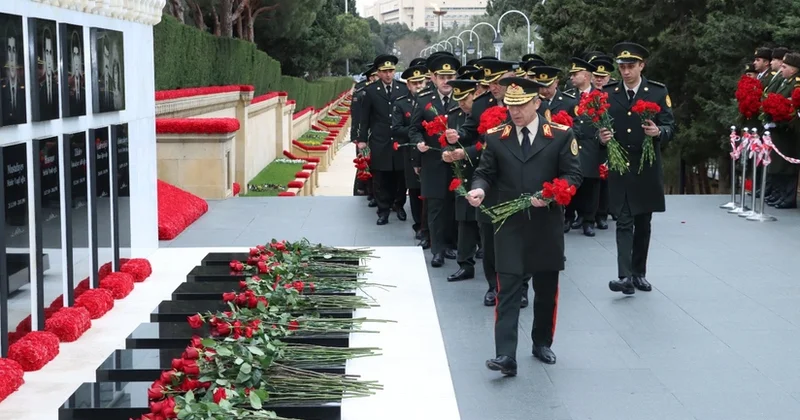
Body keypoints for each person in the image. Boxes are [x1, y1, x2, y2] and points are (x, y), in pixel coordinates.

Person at [467, 77, 582, 375]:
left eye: (520, 106)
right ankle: (505, 355)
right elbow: (484, 172)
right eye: (509, 105)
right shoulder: (497, 137)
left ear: (537, 103)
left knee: (546, 288)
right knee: (507, 290)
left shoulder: (560, 135)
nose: (514, 112)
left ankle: (542, 342)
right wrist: (479, 189)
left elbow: (573, 175)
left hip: (545, 222)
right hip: (509, 223)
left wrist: (553, 193)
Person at [446, 59, 529, 307]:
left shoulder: (528, 102)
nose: (493, 87)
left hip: (520, 178)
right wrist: (457, 137)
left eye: (497, 82)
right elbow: (471, 132)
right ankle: (494, 286)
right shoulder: (482, 104)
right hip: (489, 177)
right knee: (490, 236)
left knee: (519, 236)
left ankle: (521, 286)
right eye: (490, 83)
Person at [599, 42, 675, 295]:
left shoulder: (656, 92)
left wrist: (658, 132)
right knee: (623, 219)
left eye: (631, 66)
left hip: (646, 167)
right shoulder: (609, 93)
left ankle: (639, 273)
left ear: (642, 66)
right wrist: (602, 137)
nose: (626, 71)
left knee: (643, 221)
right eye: (622, 66)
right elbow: (598, 125)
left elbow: (670, 126)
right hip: (620, 166)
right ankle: (624, 276)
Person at [409, 54, 461, 267]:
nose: (446, 81)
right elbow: (414, 129)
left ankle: (450, 244)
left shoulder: (462, 98)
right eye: (442, 76)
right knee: (436, 207)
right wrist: (419, 141)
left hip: (458, 163)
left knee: (453, 206)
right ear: (433, 77)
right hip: (433, 161)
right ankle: (437, 250)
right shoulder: (424, 100)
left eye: (450, 76)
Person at [359, 54, 409, 225]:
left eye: (391, 71)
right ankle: (383, 210)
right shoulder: (370, 91)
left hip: (399, 139)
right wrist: (362, 139)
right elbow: (364, 118)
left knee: (400, 176)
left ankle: (399, 205)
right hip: (380, 140)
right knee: (380, 177)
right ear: (378, 72)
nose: (388, 75)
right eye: (384, 71)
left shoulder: (403, 89)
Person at [442, 78, 481, 282]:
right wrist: (446, 153)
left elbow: (487, 144)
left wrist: (466, 153)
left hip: (483, 171)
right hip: (462, 172)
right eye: (458, 100)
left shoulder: (485, 113)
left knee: (483, 221)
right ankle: (465, 264)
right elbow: (447, 140)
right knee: (464, 220)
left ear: (475, 95)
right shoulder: (456, 115)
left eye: (465, 99)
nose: (462, 104)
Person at [391, 64, 429, 246]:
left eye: (421, 82)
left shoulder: (432, 100)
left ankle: (430, 227)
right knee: (414, 191)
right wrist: (417, 131)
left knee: (431, 192)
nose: (418, 86)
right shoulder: (401, 103)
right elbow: (397, 129)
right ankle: (419, 226)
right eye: (414, 83)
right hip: (411, 152)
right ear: (408, 85)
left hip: (430, 152)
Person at [566, 56, 602, 237]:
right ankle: (570, 216)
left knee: (591, 184)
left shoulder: (600, 95)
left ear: (586, 75)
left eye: (575, 73)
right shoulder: (569, 96)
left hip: (592, 145)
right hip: (572, 145)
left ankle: (589, 220)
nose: (572, 77)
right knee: (573, 181)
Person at [763, 52, 800, 209]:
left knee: (787, 166)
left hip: (789, 131)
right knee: (778, 164)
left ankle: (788, 197)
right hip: (779, 129)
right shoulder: (786, 82)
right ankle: (780, 194)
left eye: (785, 67)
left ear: (793, 70)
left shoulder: (796, 84)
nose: (781, 69)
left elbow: (790, 107)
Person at [587, 54, 616, 227]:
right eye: (596, 77)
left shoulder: (614, 93)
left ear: (609, 77)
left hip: (611, 142)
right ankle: (590, 214)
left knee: (608, 179)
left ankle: (604, 213)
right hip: (593, 143)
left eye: (602, 77)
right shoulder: (587, 95)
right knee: (594, 180)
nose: (599, 81)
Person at [351, 65, 378, 202]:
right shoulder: (362, 92)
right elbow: (356, 116)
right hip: (365, 134)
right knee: (365, 164)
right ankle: (364, 190)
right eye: (374, 76)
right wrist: (355, 136)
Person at [1, 22, 27, 126]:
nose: (11, 55)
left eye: (14, 50)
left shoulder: (26, 88)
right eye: (9, 49)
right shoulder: (2, 88)